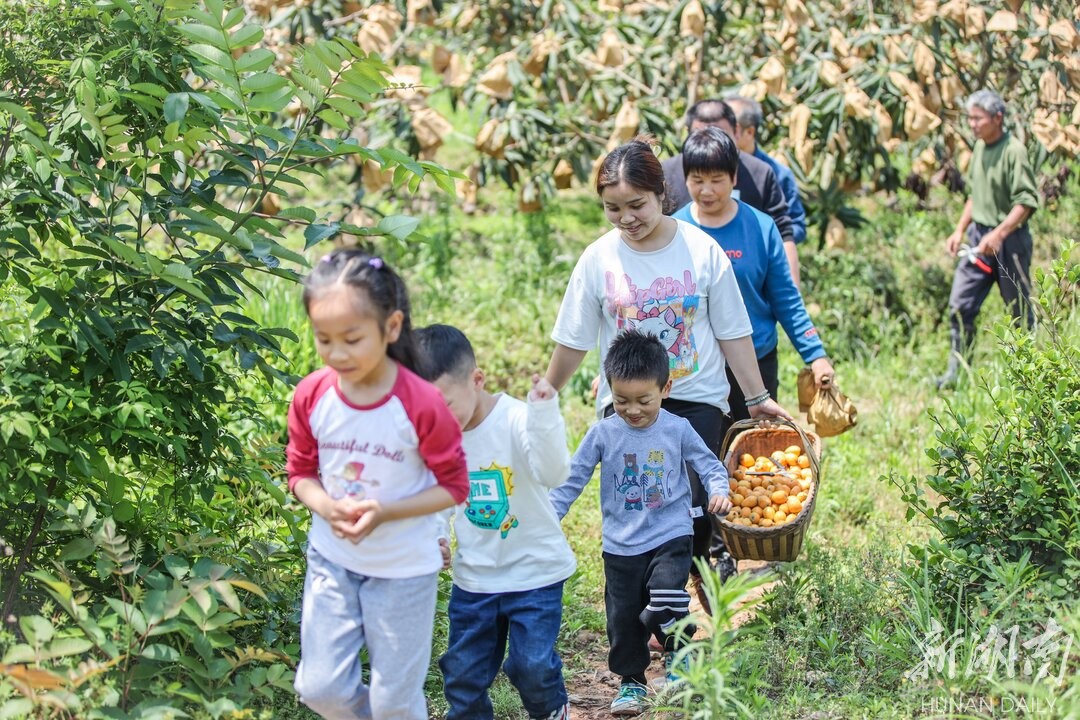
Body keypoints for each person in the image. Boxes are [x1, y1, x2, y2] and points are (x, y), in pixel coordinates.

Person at [544, 136, 793, 611]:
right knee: (636, 509)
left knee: (692, 510)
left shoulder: (701, 251)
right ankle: (652, 612)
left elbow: (733, 331)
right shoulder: (598, 259)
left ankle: (677, 586)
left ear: (662, 193)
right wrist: (544, 393)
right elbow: (573, 339)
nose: (626, 218)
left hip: (694, 398)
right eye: (612, 208)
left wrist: (757, 396)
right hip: (626, 408)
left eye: (636, 204)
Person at [286, 249, 470, 720]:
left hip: (404, 569)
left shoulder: (421, 403)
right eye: (324, 339)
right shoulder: (312, 395)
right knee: (319, 688)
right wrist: (326, 507)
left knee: (394, 703)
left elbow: (453, 487)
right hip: (333, 559)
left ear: (390, 328)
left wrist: (384, 511)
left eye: (351, 338)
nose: (337, 353)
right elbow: (301, 474)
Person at [550, 330, 732, 716]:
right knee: (623, 617)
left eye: (643, 400)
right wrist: (551, 514)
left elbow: (709, 465)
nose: (633, 410)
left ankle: (679, 656)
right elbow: (573, 478)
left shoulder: (676, 429)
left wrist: (719, 490)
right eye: (621, 401)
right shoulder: (603, 433)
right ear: (608, 391)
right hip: (620, 543)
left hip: (671, 533)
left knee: (666, 592)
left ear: (665, 388)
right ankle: (632, 682)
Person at [414, 324, 575, 720]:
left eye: (444, 406)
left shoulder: (518, 418)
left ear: (477, 380)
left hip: (535, 573)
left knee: (531, 667)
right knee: (463, 676)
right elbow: (437, 498)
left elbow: (554, 473)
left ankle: (552, 709)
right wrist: (436, 536)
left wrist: (544, 415)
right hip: (475, 579)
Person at [672, 127, 834, 435]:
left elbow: (785, 298)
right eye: (697, 180)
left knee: (750, 456)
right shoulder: (674, 230)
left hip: (754, 361)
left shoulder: (760, 227)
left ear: (734, 178)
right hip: (694, 369)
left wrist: (816, 355)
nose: (706, 190)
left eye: (716, 180)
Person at [937, 89, 1039, 389]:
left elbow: (1026, 202)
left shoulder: (1014, 151)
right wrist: (959, 230)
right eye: (970, 118)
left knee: (1018, 312)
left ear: (998, 118)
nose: (973, 124)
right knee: (960, 305)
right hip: (978, 240)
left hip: (1010, 242)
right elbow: (975, 195)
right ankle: (957, 372)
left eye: (978, 119)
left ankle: (1028, 381)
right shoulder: (980, 148)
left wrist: (999, 233)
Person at [661, 99, 794, 247]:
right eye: (698, 180)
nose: (710, 144)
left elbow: (782, 230)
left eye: (717, 180)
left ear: (736, 131)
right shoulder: (667, 173)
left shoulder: (760, 173)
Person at [725, 94, 808, 287]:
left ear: (749, 132)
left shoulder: (776, 174)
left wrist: (762, 241)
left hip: (762, 276)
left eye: (731, 127)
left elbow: (796, 226)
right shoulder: (707, 172)